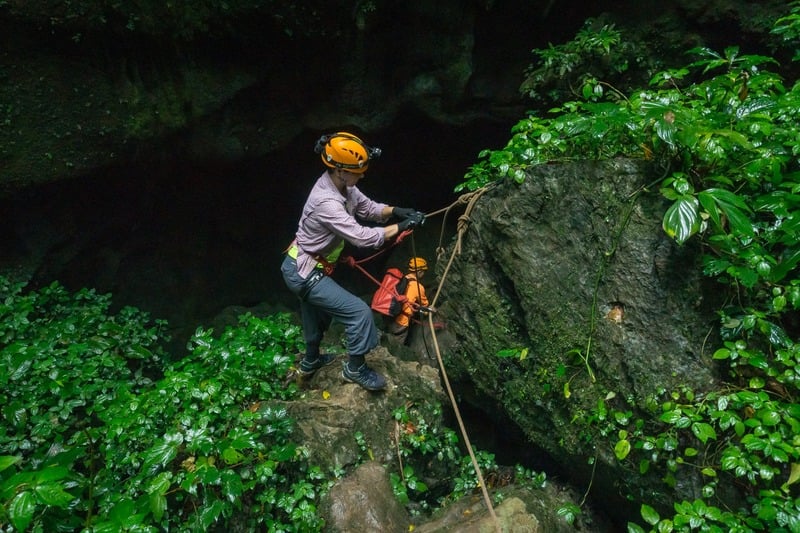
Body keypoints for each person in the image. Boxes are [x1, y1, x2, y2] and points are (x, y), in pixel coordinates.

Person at [281, 131, 424, 391]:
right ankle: (355, 369)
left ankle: (311, 361)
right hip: (303, 270)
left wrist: (395, 211)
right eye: (357, 171)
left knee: (316, 313)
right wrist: (400, 227)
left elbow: (368, 209)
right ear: (339, 170)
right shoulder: (326, 201)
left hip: (307, 265)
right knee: (358, 313)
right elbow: (362, 237)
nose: (362, 175)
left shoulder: (343, 186)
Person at [388, 257, 431, 345]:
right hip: (401, 321)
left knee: (390, 337)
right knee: (397, 345)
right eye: (424, 272)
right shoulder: (418, 287)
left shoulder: (401, 279)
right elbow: (425, 307)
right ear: (419, 272)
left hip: (390, 313)